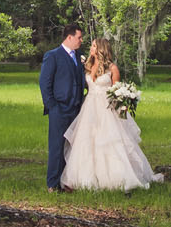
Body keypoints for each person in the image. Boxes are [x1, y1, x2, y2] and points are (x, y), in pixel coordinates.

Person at [60, 37, 163, 191]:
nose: (91, 48)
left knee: (110, 141)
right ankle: (83, 179)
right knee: (86, 141)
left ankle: (115, 178)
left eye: (94, 46)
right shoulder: (88, 66)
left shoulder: (112, 69)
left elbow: (117, 91)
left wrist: (123, 107)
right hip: (89, 108)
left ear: (101, 49)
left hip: (107, 109)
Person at [39, 26, 87, 192]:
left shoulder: (80, 57)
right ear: (69, 37)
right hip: (59, 108)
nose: (81, 41)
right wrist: (52, 106)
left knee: (73, 147)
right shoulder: (52, 56)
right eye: (79, 37)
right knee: (57, 146)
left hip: (76, 109)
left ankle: (66, 181)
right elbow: (44, 83)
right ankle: (52, 184)